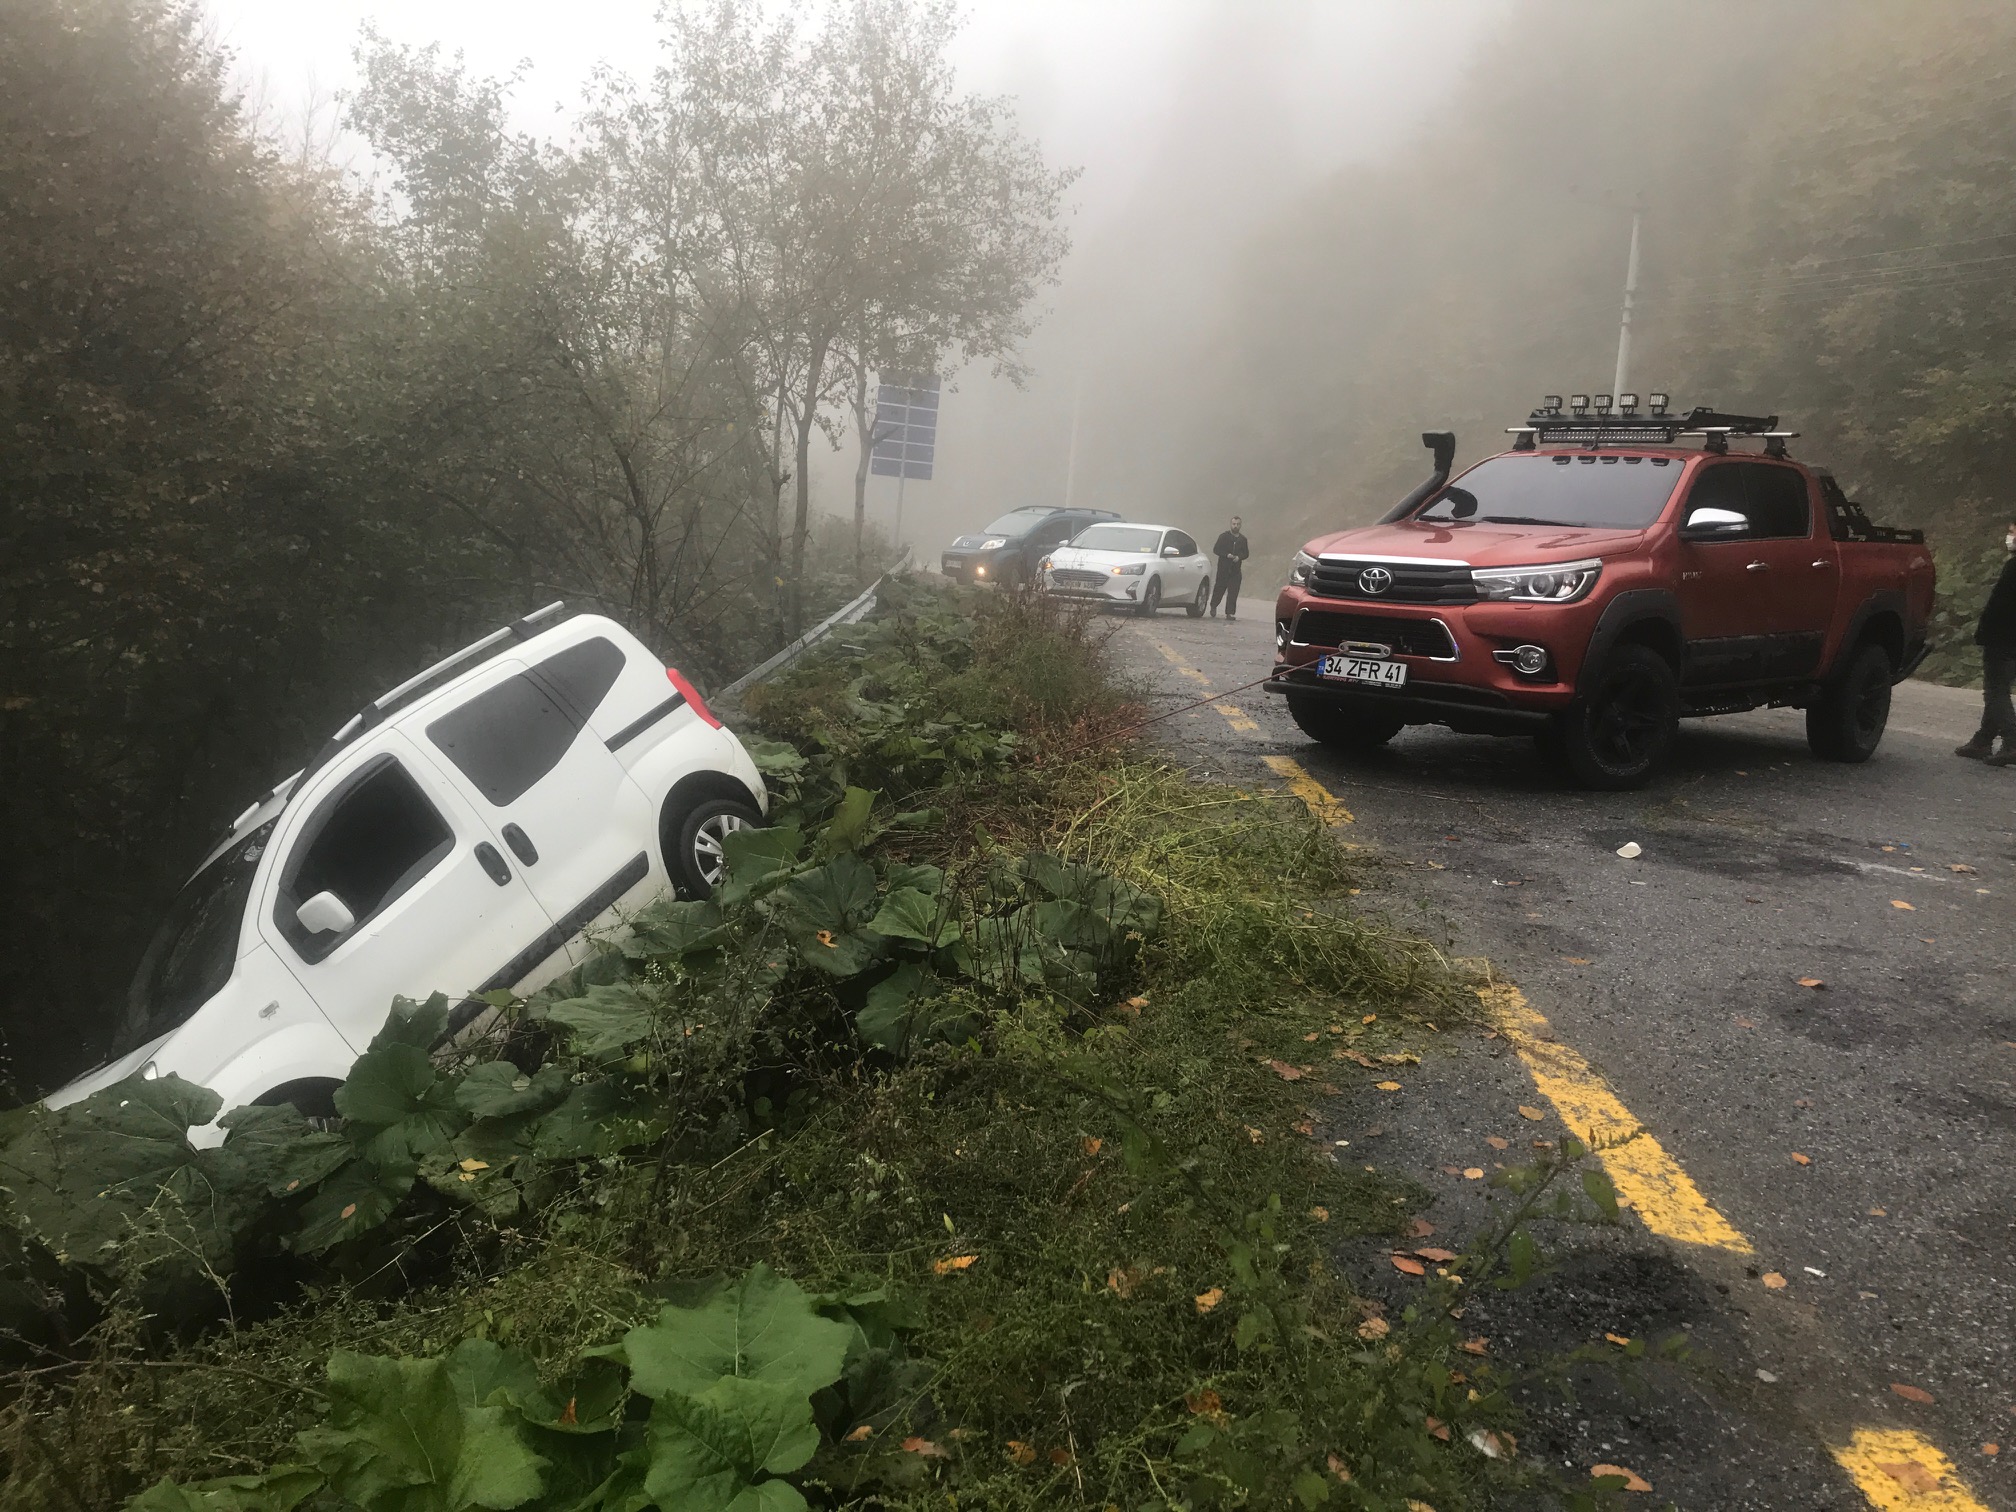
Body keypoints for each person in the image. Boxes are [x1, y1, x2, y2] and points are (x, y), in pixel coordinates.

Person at [1956, 520, 2016, 766]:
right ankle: (1983, 740)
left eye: (2013, 532)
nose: (2008, 537)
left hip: (2003, 638)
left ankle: (2013, 740)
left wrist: (1985, 633)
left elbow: (2000, 607)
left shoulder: (2014, 567)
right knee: (1998, 688)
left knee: (1995, 690)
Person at [1210, 515, 1250, 620]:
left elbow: (1246, 553)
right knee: (1219, 589)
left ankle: (1230, 613)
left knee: (1233, 592)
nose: (1235, 526)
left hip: (1236, 570)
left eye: (1238, 524)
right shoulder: (1223, 537)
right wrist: (1226, 555)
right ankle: (1213, 606)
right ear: (1230, 524)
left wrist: (1239, 557)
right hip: (1223, 569)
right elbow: (1216, 549)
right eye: (1234, 524)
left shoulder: (1243, 539)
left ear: (1240, 525)